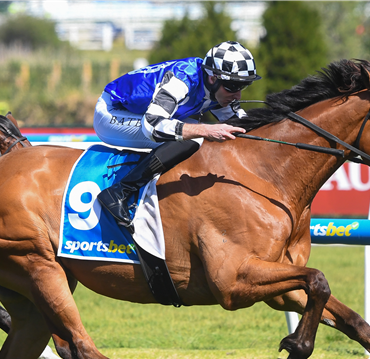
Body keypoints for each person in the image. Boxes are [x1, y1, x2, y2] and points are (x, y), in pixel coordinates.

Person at [93, 40, 261, 227]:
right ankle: (119, 192)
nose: (237, 95)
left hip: (142, 113)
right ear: (213, 78)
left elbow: (242, 126)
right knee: (195, 135)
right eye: (232, 87)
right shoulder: (183, 79)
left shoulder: (218, 87)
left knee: (194, 131)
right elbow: (152, 126)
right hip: (111, 113)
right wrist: (207, 130)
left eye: (242, 86)